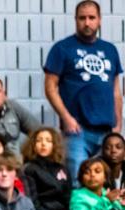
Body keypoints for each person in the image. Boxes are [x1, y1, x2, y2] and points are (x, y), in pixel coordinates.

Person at [44, 0, 123, 181]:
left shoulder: (110, 50)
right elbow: (50, 88)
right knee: (78, 183)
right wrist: (66, 117)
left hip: (106, 131)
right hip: (77, 131)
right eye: (82, 18)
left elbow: (116, 91)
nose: (87, 22)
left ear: (100, 20)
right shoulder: (62, 48)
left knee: (107, 185)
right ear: (75, 20)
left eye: (91, 18)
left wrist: (118, 124)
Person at [21, 127, 72, 210]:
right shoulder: (29, 169)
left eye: (48, 141)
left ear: (54, 145)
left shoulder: (62, 169)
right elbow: (32, 204)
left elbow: (68, 198)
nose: (43, 144)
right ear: (33, 145)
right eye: (39, 141)